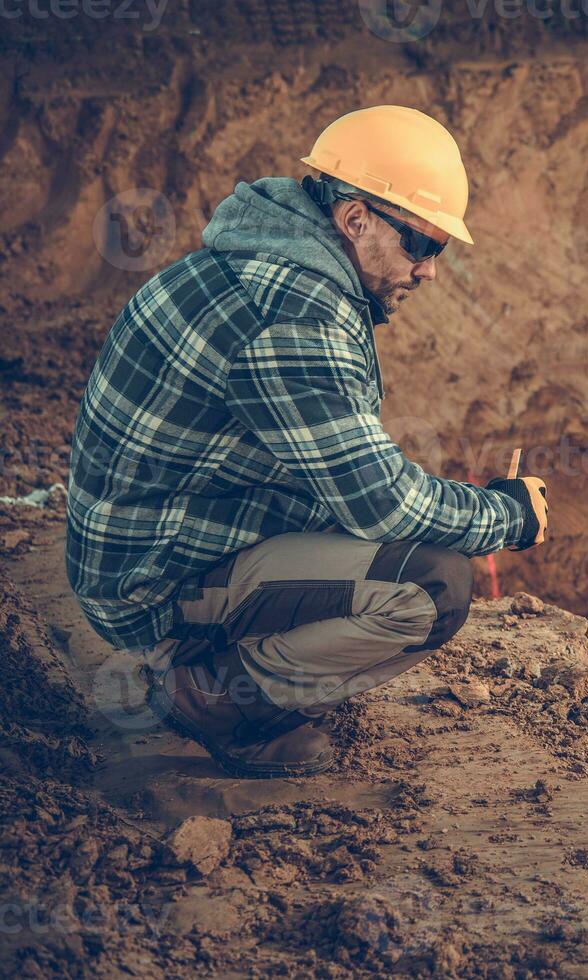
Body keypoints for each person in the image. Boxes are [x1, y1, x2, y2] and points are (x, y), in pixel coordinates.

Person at [66, 106, 548, 778]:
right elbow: (384, 507)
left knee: (390, 543)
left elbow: (348, 486)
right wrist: (507, 515)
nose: (430, 271)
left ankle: (241, 671)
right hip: (150, 589)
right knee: (433, 582)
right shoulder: (297, 322)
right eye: (423, 245)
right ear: (354, 220)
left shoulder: (257, 267)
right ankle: (209, 697)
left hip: (149, 549)